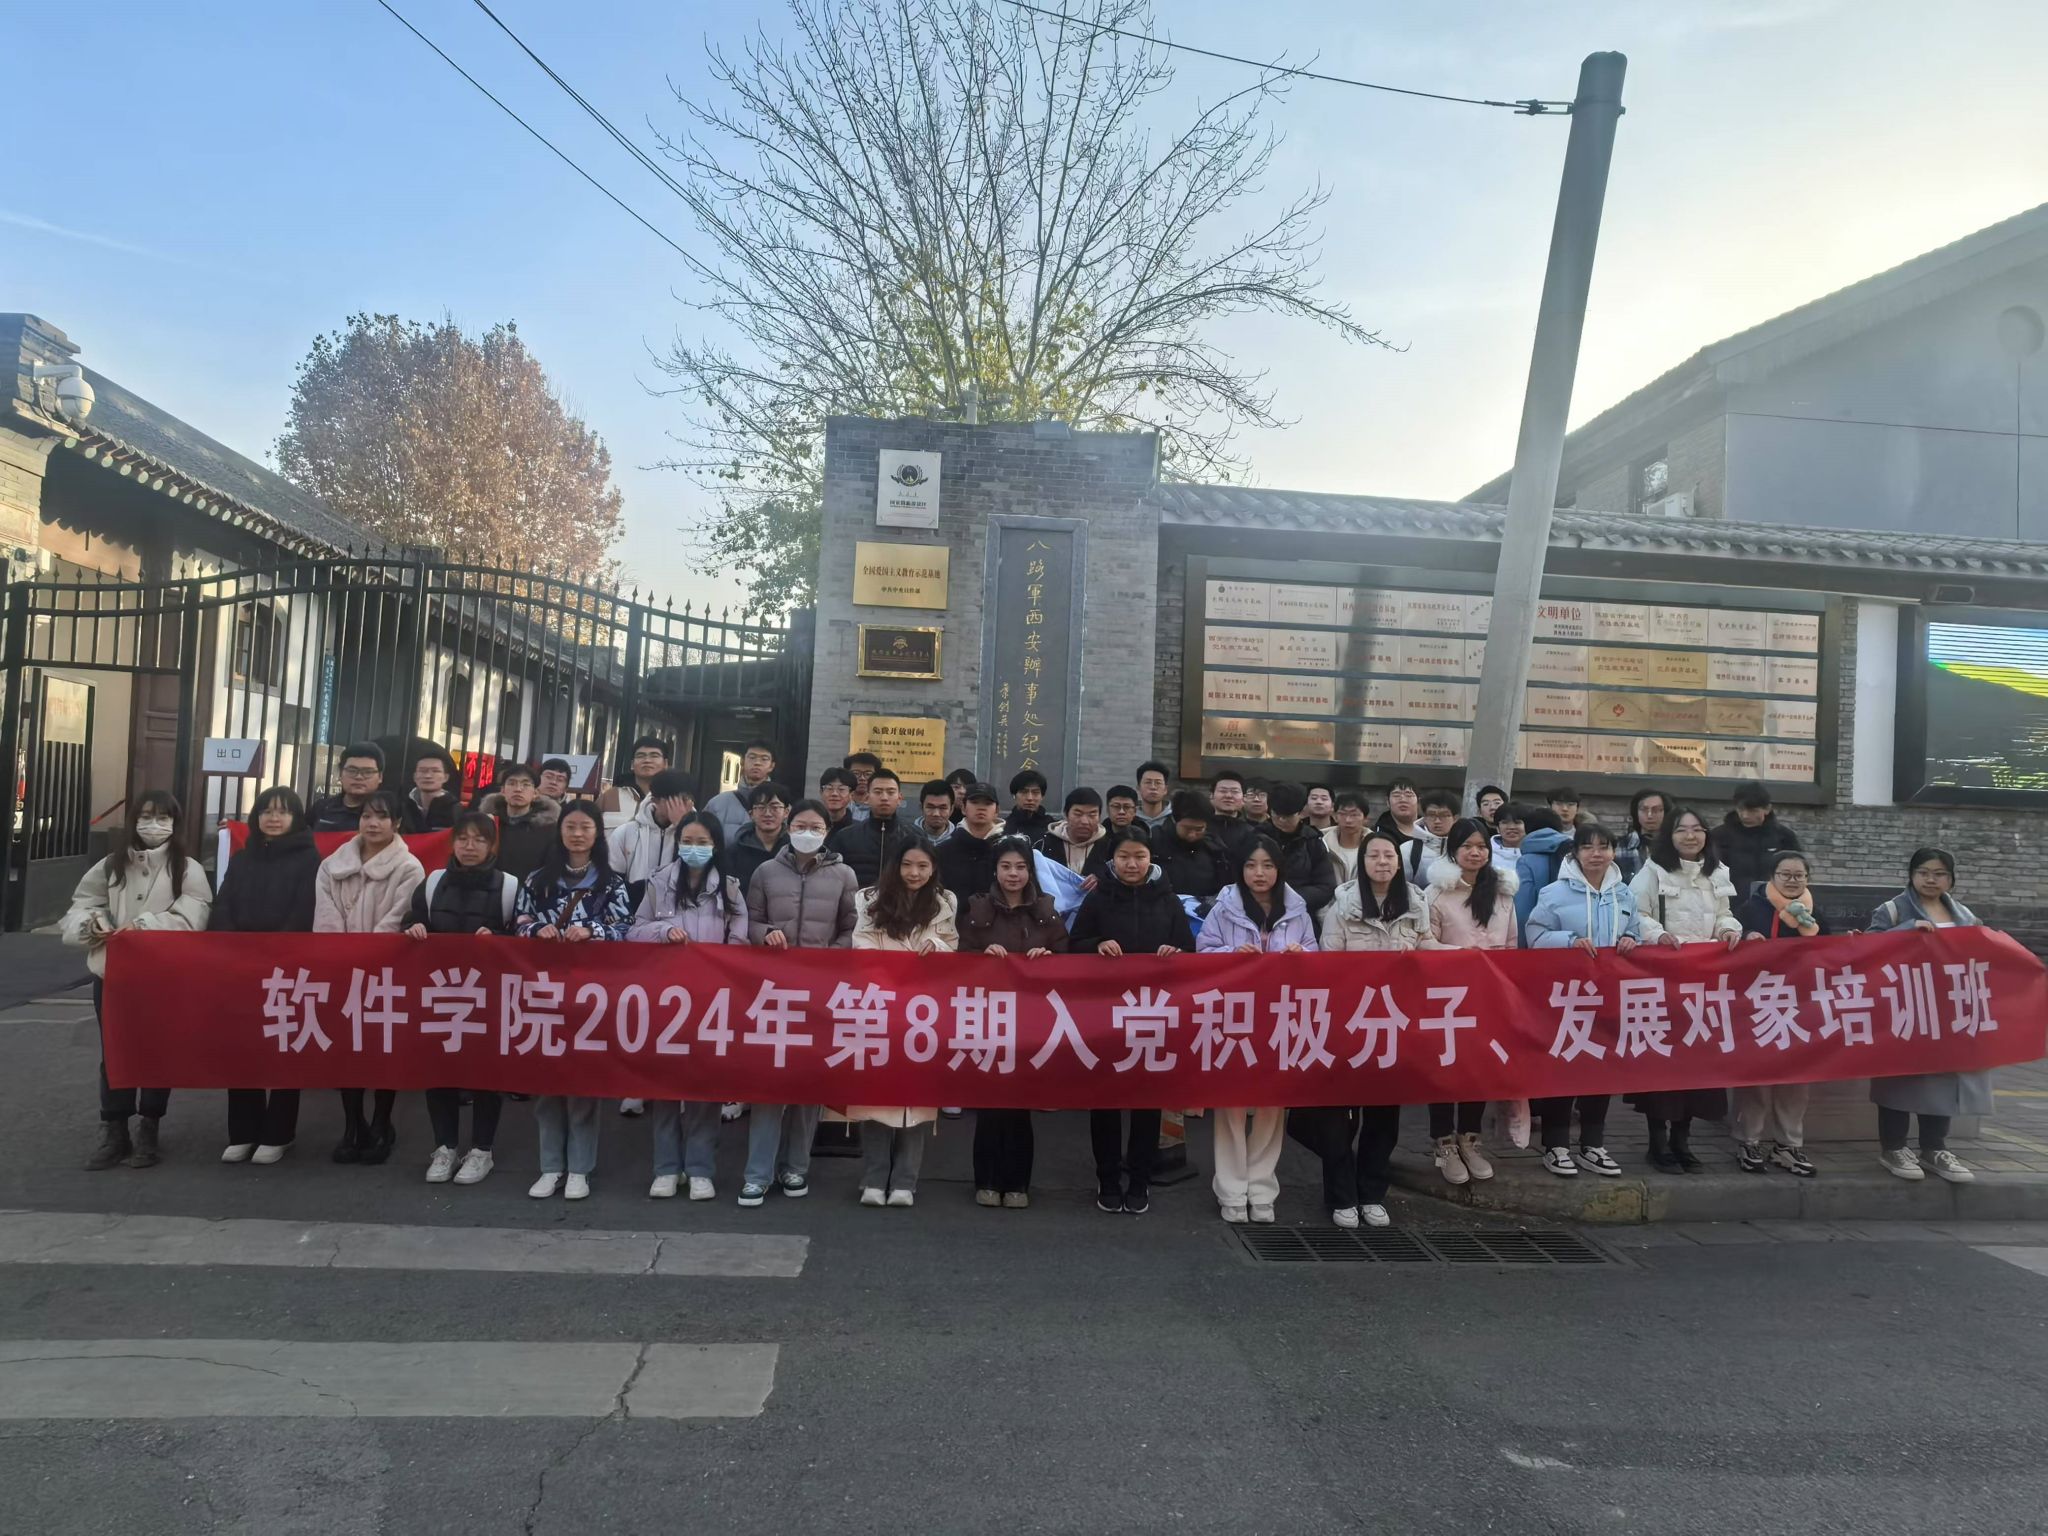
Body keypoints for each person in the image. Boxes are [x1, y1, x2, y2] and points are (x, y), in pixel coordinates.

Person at [63, 789, 212, 1171]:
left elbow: (193, 914)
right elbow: (84, 902)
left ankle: (150, 1125)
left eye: (163, 817)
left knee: (157, 1049)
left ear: (175, 823)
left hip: (162, 976)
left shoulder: (187, 868)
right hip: (114, 973)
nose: (153, 824)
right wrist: (94, 924)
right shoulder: (111, 865)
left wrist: (144, 927)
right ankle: (114, 1129)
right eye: (146, 816)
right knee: (115, 1049)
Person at [1069, 829, 1195, 1215]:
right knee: (1105, 1102)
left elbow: (1190, 951)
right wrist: (1096, 945)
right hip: (1105, 1015)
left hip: (1153, 1015)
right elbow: (1074, 945)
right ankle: (1108, 1179)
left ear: (1150, 858)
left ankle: (1139, 1180)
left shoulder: (1168, 900)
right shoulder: (1098, 898)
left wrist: (1176, 951)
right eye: (1124, 857)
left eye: (1140, 856)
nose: (1132, 864)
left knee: (1147, 1103)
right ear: (1112, 860)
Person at [1304, 830, 1424, 1228]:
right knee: (1338, 1116)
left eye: (1389, 855)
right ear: (1363, 862)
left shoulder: (1416, 902)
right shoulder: (1342, 905)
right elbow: (1329, 961)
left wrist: (1456, 955)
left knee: (1383, 1116)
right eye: (1374, 855)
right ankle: (1341, 1196)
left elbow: (1430, 948)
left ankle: (1372, 1193)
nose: (1382, 862)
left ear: (1399, 861)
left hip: (1395, 1022)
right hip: (1349, 1020)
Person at [628, 812, 750, 1199]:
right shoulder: (658, 882)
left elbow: (740, 945)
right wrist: (663, 931)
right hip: (666, 1000)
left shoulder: (730, 889)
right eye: (688, 841)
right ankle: (666, 1168)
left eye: (702, 842)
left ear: (715, 846)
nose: (694, 849)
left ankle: (699, 1168)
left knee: (704, 1086)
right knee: (665, 1085)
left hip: (711, 1001)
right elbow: (634, 931)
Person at [744, 798, 859, 1205]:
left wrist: (831, 956)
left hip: (820, 992)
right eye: (800, 825)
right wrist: (765, 934)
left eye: (816, 827)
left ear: (827, 832)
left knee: (809, 1084)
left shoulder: (844, 874)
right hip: (774, 991)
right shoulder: (765, 872)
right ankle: (757, 1173)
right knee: (769, 1083)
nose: (807, 833)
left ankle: (795, 1168)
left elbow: (851, 927)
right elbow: (750, 921)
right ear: (788, 827)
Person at [516, 800, 633, 1198]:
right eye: (570, 826)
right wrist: (538, 930)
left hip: (592, 993)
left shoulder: (612, 883)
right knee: (548, 1081)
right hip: (544, 991)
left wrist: (593, 931)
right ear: (560, 831)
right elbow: (518, 922)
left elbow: (627, 928)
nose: (577, 834)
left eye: (585, 827)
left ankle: (580, 1168)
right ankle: (550, 1166)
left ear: (598, 833)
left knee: (583, 1081)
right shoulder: (537, 880)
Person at [1197, 835, 1314, 1224]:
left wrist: (1301, 956)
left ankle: (1262, 1188)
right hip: (1234, 1016)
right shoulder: (1224, 907)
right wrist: (1231, 955)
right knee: (1231, 1101)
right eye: (1251, 865)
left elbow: (1317, 957)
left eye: (1267, 865)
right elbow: (1202, 953)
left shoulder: (1297, 909)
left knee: (1271, 1102)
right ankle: (1231, 1188)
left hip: (1281, 1016)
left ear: (1279, 869)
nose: (1259, 873)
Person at [1628, 807, 1748, 1172]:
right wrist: (1658, 935)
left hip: (1704, 982)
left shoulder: (1718, 873)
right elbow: (1635, 914)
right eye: (1682, 830)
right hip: (1664, 980)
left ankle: (1682, 1140)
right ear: (1670, 835)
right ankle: (1658, 1142)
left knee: (1698, 1063)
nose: (1691, 836)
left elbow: (1724, 912)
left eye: (1698, 829)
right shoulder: (1652, 872)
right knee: (1663, 1063)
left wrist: (1728, 929)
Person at [404, 811, 521, 1186]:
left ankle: (482, 1150)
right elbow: (412, 919)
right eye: (463, 839)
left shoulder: (509, 886)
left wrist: (499, 938)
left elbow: (522, 938)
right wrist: (413, 927)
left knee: (487, 1072)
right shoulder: (433, 882)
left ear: (492, 845)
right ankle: (445, 1147)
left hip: (489, 995)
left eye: (479, 840)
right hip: (441, 993)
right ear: (453, 842)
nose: (470, 847)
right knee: (439, 1070)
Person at [1524, 823, 1643, 1179]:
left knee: (1601, 1070)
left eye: (1604, 846)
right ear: (1575, 852)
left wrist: (1631, 939)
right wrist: (1568, 941)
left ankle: (1593, 1144)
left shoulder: (1625, 894)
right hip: (1568, 996)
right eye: (1588, 847)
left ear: (1613, 852)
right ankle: (1556, 1146)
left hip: (1610, 995)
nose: (1596, 854)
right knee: (1564, 1069)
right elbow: (1535, 935)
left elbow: (1634, 931)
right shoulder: (1553, 893)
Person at [314, 789, 425, 1166]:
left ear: (397, 823)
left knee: (382, 1048)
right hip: (341, 969)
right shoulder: (333, 864)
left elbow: (398, 918)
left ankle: (381, 1122)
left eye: (382, 816)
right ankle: (352, 1124)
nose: (373, 823)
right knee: (347, 1048)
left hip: (386, 972)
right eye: (366, 816)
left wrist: (368, 955)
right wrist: (341, 957)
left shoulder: (409, 868)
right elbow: (325, 915)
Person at [846, 838, 957, 1207]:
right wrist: (890, 979)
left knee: (917, 1097)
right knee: (876, 1097)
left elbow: (953, 947)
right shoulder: (868, 899)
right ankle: (874, 1178)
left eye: (923, 866)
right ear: (895, 866)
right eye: (908, 865)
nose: (914, 873)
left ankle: (906, 1181)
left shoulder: (945, 901)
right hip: (880, 1004)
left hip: (925, 1011)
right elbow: (861, 944)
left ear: (933, 868)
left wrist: (938, 948)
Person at [212, 787, 319, 1165]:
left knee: (285, 1046)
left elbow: (305, 911)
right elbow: (223, 904)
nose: (273, 818)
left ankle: (279, 1132)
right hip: (240, 966)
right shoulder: (242, 858)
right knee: (242, 1047)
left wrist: (274, 951)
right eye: (266, 811)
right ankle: (243, 1131)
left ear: (296, 818)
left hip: (286, 966)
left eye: (282, 812)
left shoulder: (310, 860)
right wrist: (232, 945)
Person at [958, 837, 1067, 1208]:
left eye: (1020, 867)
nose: (1013, 874)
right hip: (989, 1018)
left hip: (1032, 1022)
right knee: (990, 1105)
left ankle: (1018, 1182)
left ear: (1030, 871)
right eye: (1006, 866)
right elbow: (959, 956)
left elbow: (1067, 957)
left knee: (1020, 1106)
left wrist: (1048, 956)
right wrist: (981, 955)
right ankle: (986, 1180)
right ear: (995, 870)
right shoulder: (977, 908)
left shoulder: (1047, 910)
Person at [1868, 849, 1987, 1185]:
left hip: (1947, 1011)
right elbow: (1868, 948)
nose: (1931, 879)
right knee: (1898, 1078)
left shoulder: (1964, 915)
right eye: (1923, 872)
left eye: (1939, 873)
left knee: (1943, 1079)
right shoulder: (1893, 910)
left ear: (1951, 879)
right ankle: (1893, 1147)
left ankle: (1934, 1148)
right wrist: (1906, 929)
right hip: (1904, 1007)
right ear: (1911, 875)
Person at [1423, 818, 1518, 1186]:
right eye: (1467, 846)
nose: (1475, 853)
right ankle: (1444, 1142)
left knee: (1480, 1066)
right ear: (1453, 850)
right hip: (1447, 996)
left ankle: (1469, 1138)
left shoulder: (1503, 893)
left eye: (1482, 846)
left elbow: (1512, 944)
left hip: (1489, 994)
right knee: (1445, 1068)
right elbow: (1424, 943)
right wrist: (1464, 957)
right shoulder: (1436, 894)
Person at [1730, 849, 1827, 1175]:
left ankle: (1788, 1145)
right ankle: (1749, 1140)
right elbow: (1730, 941)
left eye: (1799, 875)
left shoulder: (1814, 913)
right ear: (1772, 877)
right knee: (1757, 1076)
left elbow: (1832, 952)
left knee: (1796, 1078)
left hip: (1801, 1005)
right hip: (1760, 1003)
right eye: (1785, 874)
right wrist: (1747, 937)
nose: (1792, 880)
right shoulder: (1751, 908)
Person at [608, 766, 696, 891]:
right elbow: (613, 880)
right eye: (675, 800)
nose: (681, 806)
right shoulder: (625, 833)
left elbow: (695, 871)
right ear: (655, 800)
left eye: (686, 799)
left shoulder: (699, 833)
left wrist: (682, 827)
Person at [1712, 781, 1802, 894]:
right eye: (1741, 809)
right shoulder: (1719, 836)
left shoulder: (1784, 837)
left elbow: (1797, 874)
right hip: (1728, 900)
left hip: (1771, 900)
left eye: (1752, 811)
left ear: (1767, 809)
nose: (1745, 815)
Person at [1262, 781, 1337, 915]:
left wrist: (1289, 899)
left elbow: (1325, 886)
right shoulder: (1256, 837)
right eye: (1276, 814)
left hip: (1300, 911)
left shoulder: (1313, 841)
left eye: (1288, 816)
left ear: (1302, 812)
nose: (1281, 820)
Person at [829, 767, 913, 887]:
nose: (884, 797)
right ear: (867, 798)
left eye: (890, 792)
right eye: (878, 792)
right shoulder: (846, 837)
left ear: (899, 798)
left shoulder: (914, 837)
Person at [1150, 789, 1228, 915]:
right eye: (1186, 828)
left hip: (1204, 913)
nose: (1192, 835)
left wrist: (1214, 901)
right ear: (1175, 820)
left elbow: (1227, 886)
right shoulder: (1155, 841)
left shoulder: (1215, 847)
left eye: (1199, 829)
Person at [481, 763, 560, 882]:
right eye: (512, 783)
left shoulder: (548, 829)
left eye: (526, 784)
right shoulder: (488, 823)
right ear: (502, 791)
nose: (518, 789)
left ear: (535, 793)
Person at [1512, 807, 1575, 944]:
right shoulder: (1574, 854)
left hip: (1540, 937)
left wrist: (1523, 945)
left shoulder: (1526, 861)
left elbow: (1523, 909)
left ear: (1527, 829)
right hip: (1575, 938)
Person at [936, 781, 1007, 904]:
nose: (981, 808)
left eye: (988, 803)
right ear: (963, 808)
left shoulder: (1008, 849)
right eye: (974, 802)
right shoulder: (943, 851)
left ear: (997, 810)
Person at [703, 740, 777, 843]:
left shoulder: (780, 805)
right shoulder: (717, 803)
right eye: (752, 757)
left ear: (771, 766)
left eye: (764, 759)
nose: (757, 763)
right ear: (742, 761)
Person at [1039, 786, 1112, 884]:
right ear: (1066, 814)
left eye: (1092, 815)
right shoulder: (1044, 844)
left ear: (1099, 817)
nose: (1084, 821)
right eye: (1078, 814)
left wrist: (1101, 879)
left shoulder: (1110, 847)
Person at [307, 742, 385, 832]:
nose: (359, 777)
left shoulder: (387, 811)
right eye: (352, 771)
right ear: (340, 774)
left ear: (380, 777)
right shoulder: (322, 808)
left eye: (367, 772)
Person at [602, 735, 671, 832]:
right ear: (632, 764)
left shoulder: (675, 800)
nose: (647, 760)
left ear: (665, 764)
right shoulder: (611, 796)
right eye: (640, 756)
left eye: (654, 756)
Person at [729, 781, 790, 892]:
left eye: (775, 807)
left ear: (786, 812)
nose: (768, 814)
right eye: (761, 807)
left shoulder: (793, 849)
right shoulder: (735, 851)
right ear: (751, 814)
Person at [1207, 769, 1258, 869]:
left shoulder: (1252, 833)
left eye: (1235, 792)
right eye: (1223, 791)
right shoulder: (1202, 828)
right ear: (1211, 796)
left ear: (1243, 799)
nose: (1228, 796)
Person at [1614, 789, 1668, 883]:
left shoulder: (1674, 847)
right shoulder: (1619, 846)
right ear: (1636, 813)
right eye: (1644, 810)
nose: (1650, 815)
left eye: (1656, 810)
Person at [402, 749, 460, 832]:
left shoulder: (454, 809)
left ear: (446, 777)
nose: (428, 776)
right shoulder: (403, 806)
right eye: (423, 771)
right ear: (414, 776)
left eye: (435, 771)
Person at [1323, 790, 1370, 885]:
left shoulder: (1376, 845)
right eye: (1342, 814)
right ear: (1335, 817)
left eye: (1354, 815)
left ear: (1365, 819)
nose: (1348, 820)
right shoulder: (1321, 843)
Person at [1004, 769, 1054, 841]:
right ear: (1014, 795)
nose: (1030, 798)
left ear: (1042, 796)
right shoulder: (1003, 827)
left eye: (1035, 792)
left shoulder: (1052, 828)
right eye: (1024, 792)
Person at [1490, 802, 1529, 876]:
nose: (1511, 827)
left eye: (1517, 822)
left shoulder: (1535, 854)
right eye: (1505, 822)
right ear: (1497, 828)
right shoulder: (1488, 854)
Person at [914, 778, 957, 843]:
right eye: (930, 807)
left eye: (942, 808)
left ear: (952, 809)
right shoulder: (906, 836)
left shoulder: (960, 839)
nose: (936, 814)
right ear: (921, 807)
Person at [843, 750, 883, 819]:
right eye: (856, 773)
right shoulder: (839, 802)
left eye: (868, 774)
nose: (862, 778)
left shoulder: (882, 803)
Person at [1135, 761, 1174, 831]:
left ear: (1165, 789)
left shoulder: (1175, 819)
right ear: (1138, 788)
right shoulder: (1129, 819)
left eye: (1158, 783)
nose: (1153, 787)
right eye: (1148, 782)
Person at [819, 767, 859, 832]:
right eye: (829, 788)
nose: (834, 793)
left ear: (851, 795)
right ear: (821, 792)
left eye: (841, 789)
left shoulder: (859, 830)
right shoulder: (812, 826)